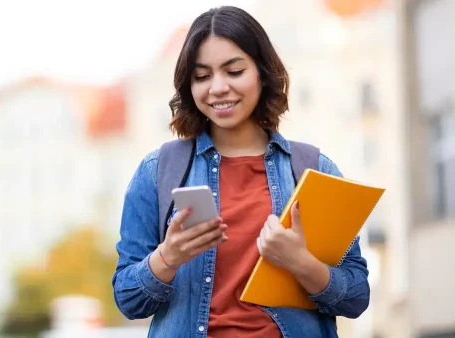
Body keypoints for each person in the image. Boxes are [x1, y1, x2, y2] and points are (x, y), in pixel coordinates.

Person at [112, 5, 370, 338]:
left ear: (262, 74)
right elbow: (127, 299)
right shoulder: (157, 171)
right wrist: (168, 257)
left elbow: (357, 297)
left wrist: (300, 262)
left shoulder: (314, 170)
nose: (217, 87)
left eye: (234, 71)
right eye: (202, 76)